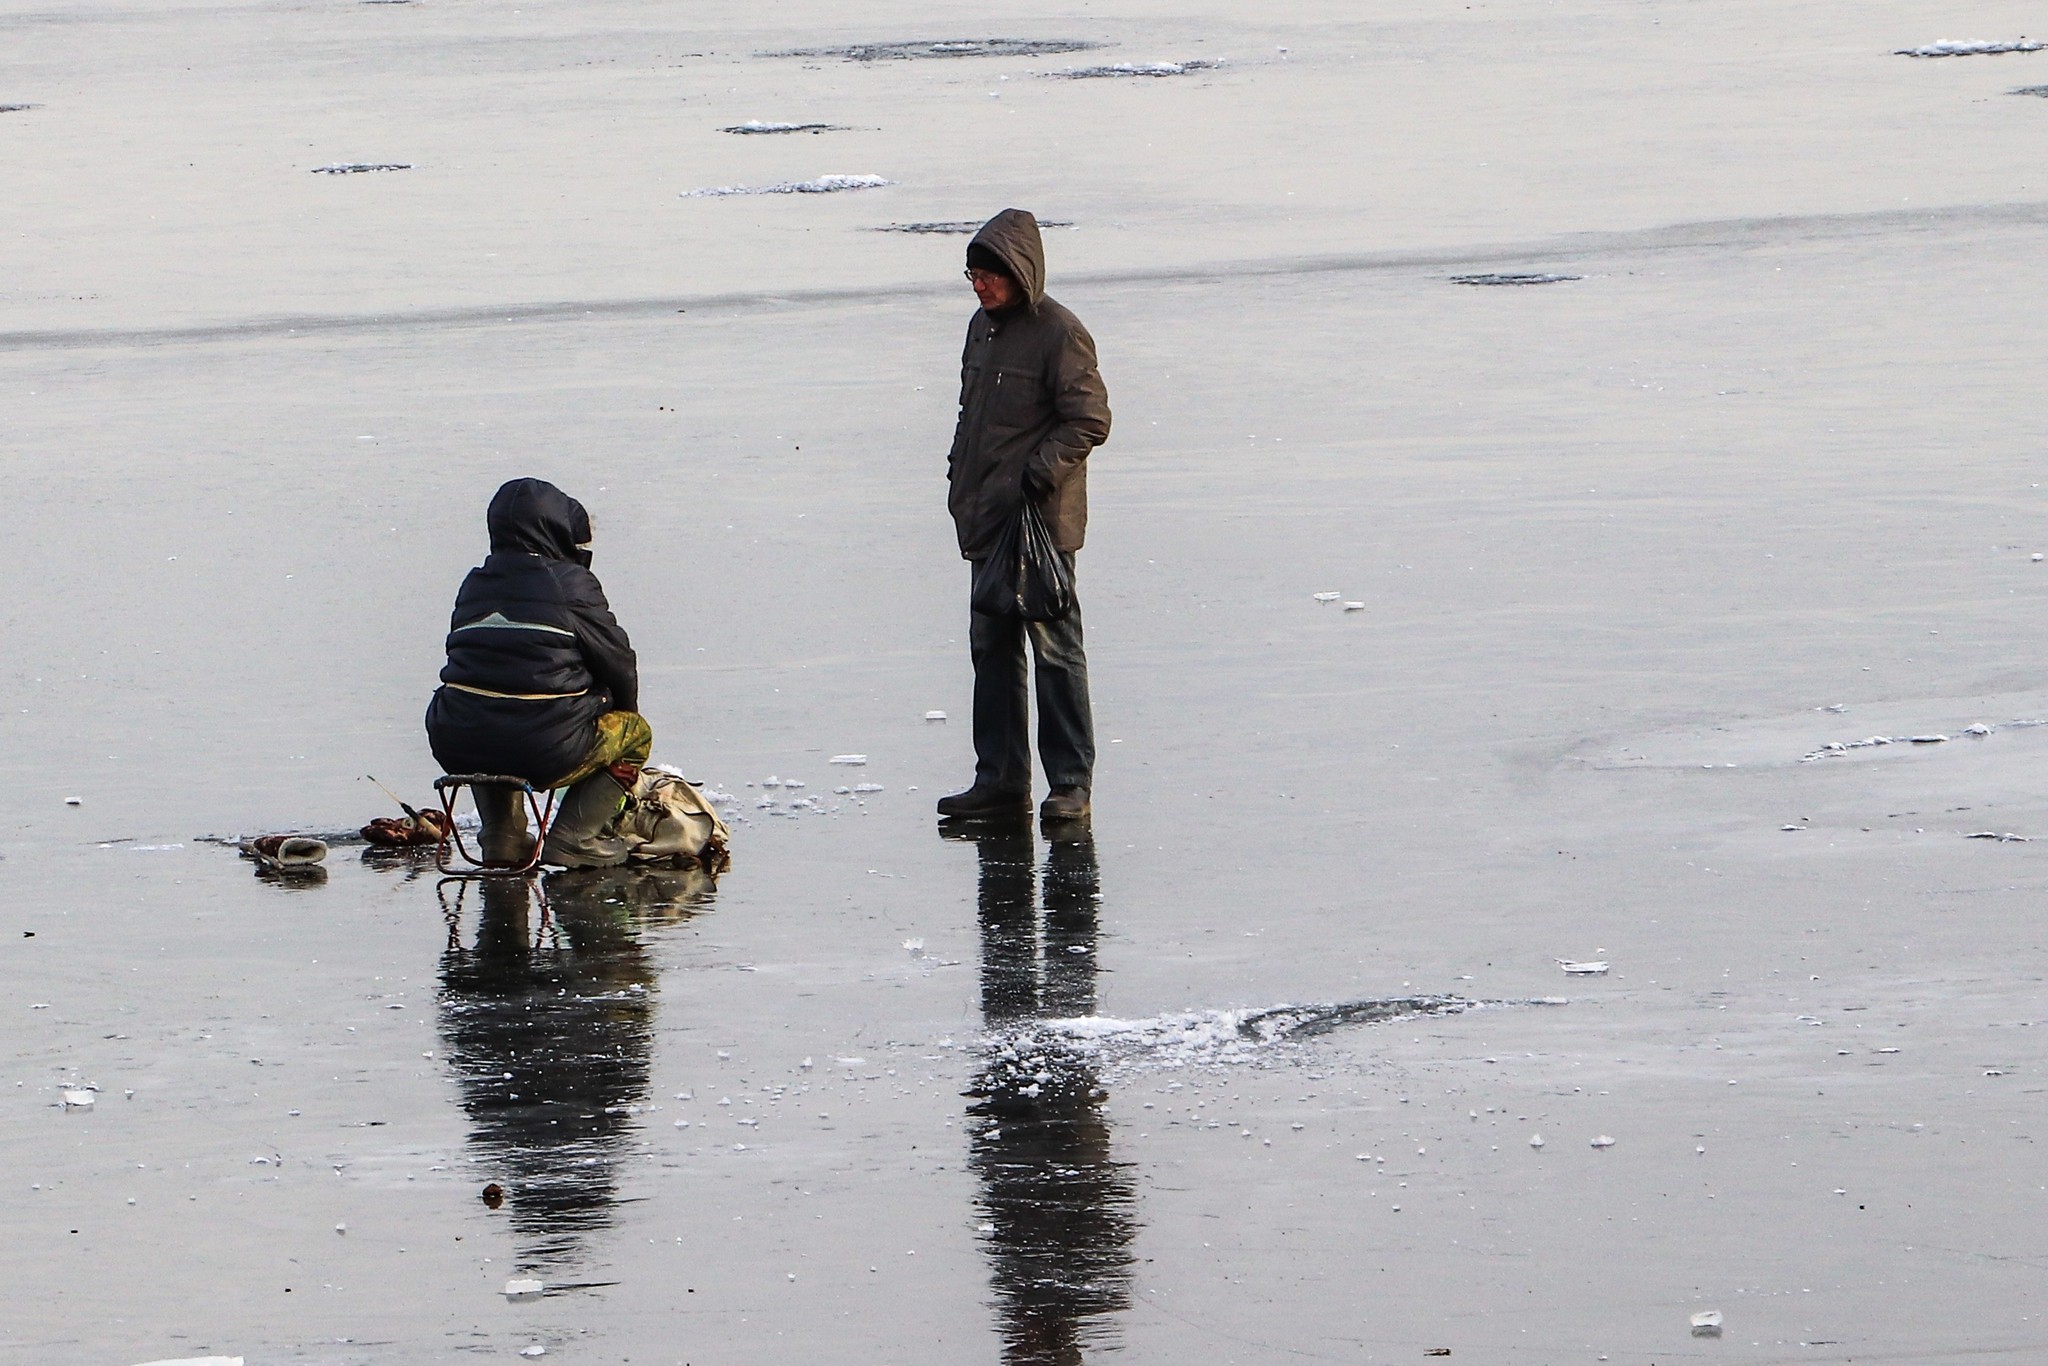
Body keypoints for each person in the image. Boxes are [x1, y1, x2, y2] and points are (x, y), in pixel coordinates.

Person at [939, 208, 1112, 824]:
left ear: (1020, 271)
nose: (980, 285)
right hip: (986, 521)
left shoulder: (1059, 332)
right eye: (973, 275)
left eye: (989, 275)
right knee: (991, 649)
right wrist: (962, 480)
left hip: (1041, 524)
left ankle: (1070, 785)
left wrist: (1035, 475)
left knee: (1056, 650)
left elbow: (1089, 419)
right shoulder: (979, 329)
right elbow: (972, 417)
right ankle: (1000, 782)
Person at [425, 477, 650, 868]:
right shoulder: (569, 583)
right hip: (544, 748)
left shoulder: (474, 584)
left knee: (486, 707)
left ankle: (501, 838)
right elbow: (617, 661)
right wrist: (621, 711)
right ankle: (574, 838)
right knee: (635, 735)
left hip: (456, 738)